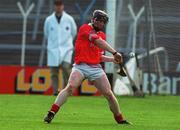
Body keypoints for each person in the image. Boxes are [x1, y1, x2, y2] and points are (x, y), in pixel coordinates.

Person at [44, 10, 131, 125]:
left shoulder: (102, 35)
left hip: (95, 68)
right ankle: (52, 112)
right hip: (81, 66)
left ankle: (120, 119)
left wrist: (112, 60)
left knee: (109, 94)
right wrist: (114, 53)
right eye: (101, 22)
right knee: (70, 87)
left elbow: (99, 56)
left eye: (104, 22)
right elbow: (97, 42)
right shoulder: (85, 28)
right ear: (94, 20)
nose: (102, 25)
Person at [44, 0, 77, 95]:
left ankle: (68, 91)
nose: (58, 7)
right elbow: (46, 33)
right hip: (53, 49)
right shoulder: (49, 20)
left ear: (63, 6)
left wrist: (67, 43)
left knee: (66, 69)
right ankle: (55, 91)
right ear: (54, 6)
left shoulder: (69, 19)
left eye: (60, 5)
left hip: (66, 49)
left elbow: (73, 32)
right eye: (56, 5)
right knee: (54, 72)